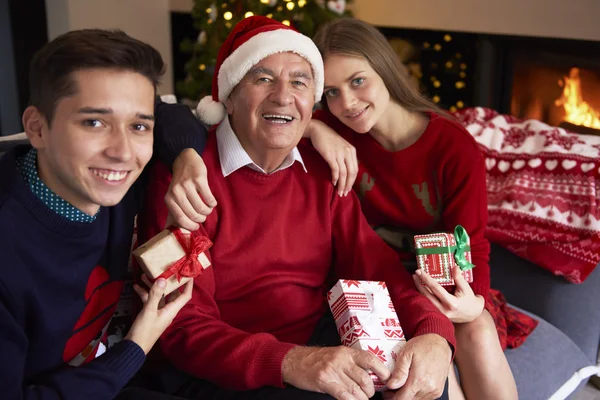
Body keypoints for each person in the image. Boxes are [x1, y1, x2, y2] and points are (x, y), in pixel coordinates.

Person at [139, 16, 455, 400]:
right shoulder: (185, 179)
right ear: (230, 97)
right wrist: (293, 362)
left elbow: (376, 264)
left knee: (420, 384)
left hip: (316, 339)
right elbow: (184, 327)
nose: (284, 96)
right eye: (262, 78)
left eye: (300, 82)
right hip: (227, 369)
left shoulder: (322, 169)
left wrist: (433, 332)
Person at [298, 18, 518, 400]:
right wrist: (316, 130)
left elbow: (473, 245)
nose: (346, 103)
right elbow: (272, 119)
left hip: (445, 279)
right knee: (425, 363)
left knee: (478, 330)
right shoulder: (333, 129)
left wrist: (472, 301)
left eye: (357, 80)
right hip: (376, 285)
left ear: (384, 68)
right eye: (331, 92)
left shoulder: (452, 146)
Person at [0, 29, 216, 400]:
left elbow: (170, 114)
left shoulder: (113, 181)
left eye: (137, 127)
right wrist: (137, 344)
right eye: (94, 123)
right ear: (37, 128)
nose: (122, 152)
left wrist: (185, 159)